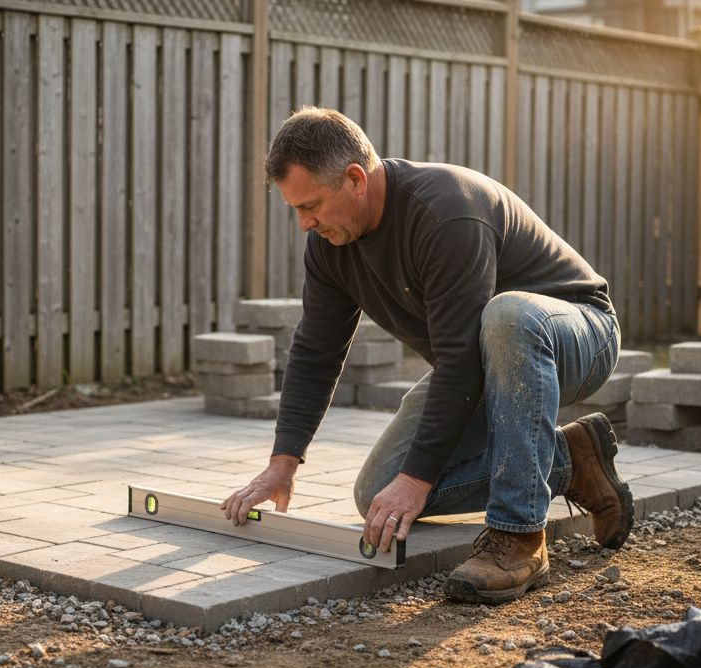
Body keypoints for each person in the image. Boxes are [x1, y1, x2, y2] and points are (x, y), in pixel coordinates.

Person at [221, 107, 634, 605]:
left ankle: (521, 537)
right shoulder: (330, 246)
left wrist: (416, 481)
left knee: (506, 316)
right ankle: (573, 461)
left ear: (355, 179)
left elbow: (459, 359)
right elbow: (315, 350)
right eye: (295, 209)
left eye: (310, 206)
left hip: (576, 333)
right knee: (376, 494)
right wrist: (282, 464)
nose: (304, 224)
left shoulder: (445, 211)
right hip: (484, 365)